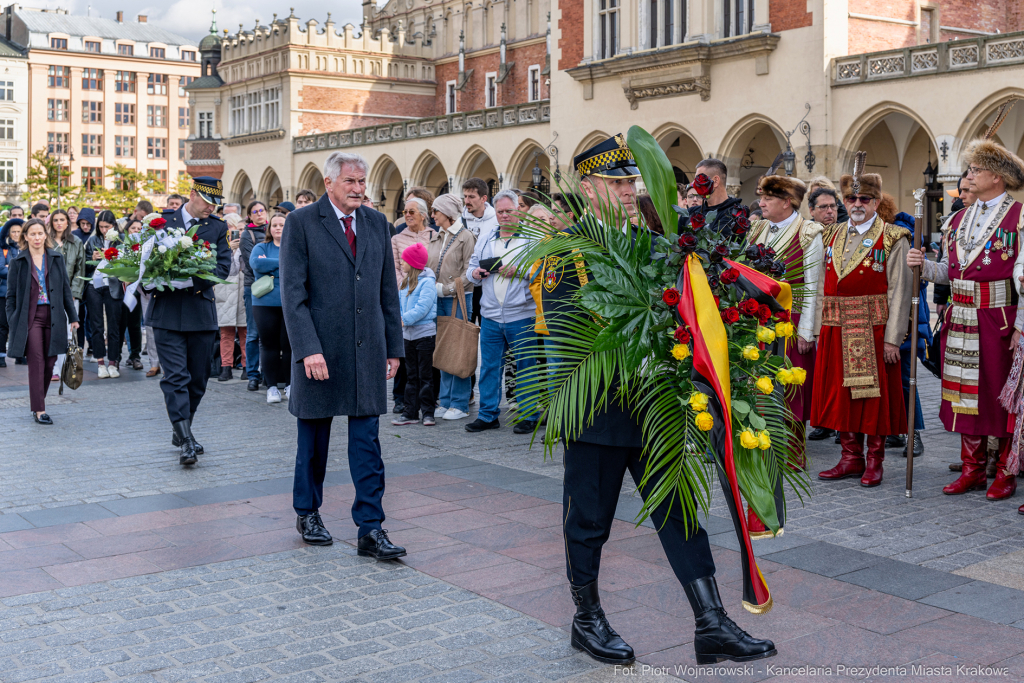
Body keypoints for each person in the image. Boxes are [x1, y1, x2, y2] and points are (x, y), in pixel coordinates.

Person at [542, 135, 775, 666]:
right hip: (598, 408)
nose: (630, 191)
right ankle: (587, 618)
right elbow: (570, 328)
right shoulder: (567, 251)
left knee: (679, 510)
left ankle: (711, 622)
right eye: (617, 182)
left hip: (655, 404)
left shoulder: (653, 241)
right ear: (587, 187)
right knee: (588, 520)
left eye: (631, 181)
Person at [280, 151, 406, 560]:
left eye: (361, 181)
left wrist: (394, 348)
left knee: (367, 443)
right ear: (329, 182)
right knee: (313, 440)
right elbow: (292, 296)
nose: (358, 189)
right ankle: (308, 512)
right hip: (321, 350)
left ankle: (371, 528)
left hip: (367, 348)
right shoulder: (301, 223)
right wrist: (307, 350)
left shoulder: (376, 223)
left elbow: (388, 291)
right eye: (350, 181)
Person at [911, 138, 1024, 500]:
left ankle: (1005, 469)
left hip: (998, 319)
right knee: (962, 394)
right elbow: (950, 271)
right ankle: (973, 468)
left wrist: (1021, 326)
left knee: (998, 394)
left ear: (998, 176)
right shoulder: (957, 219)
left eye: (976, 169)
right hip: (960, 318)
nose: (969, 175)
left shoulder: (1019, 216)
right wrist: (924, 267)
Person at [813, 159, 912, 488]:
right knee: (841, 397)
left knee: (873, 400)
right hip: (836, 328)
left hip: (874, 330)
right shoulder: (830, 235)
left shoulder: (893, 237)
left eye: (865, 199)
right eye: (852, 199)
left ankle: (874, 460)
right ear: (844, 202)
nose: (857, 204)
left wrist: (893, 339)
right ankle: (850, 457)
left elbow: (900, 289)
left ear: (877, 202)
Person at [744, 174, 823, 534]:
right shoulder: (757, 230)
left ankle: (792, 452)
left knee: (791, 390)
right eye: (761, 198)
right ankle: (765, 442)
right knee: (760, 385)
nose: (761, 203)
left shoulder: (809, 234)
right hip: (758, 321)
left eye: (768, 198)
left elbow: (814, 283)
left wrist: (808, 330)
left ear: (787, 202)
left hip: (791, 322)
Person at [148, 177, 231, 466]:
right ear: (193, 194)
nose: (212, 207)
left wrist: (190, 280)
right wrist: (158, 278)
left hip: (200, 311)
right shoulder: (161, 221)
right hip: (167, 312)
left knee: (198, 379)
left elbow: (222, 268)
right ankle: (185, 439)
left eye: (215, 203)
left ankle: (182, 427)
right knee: (176, 378)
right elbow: (143, 262)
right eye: (208, 201)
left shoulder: (218, 227)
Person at [466, 189, 540, 434]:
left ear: (519, 210)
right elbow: (471, 268)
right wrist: (475, 274)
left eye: (510, 211)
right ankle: (488, 415)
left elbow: (541, 273)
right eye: (500, 212)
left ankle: (529, 415)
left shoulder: (532, 239)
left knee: (526, 366)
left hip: (522, 314)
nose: (505, 216)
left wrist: (518, 270)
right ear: (495, 213)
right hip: (490, 316)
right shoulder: (486, 237)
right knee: (488, 367)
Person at [5, 219, 79, 423]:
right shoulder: (18, 262)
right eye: (33, 234)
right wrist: (13, 320)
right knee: (36, 361)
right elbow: (10, 296)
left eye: (40, 233)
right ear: (25, 237)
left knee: (50, 362)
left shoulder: (55, 258)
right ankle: (39, 410)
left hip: (54, 316)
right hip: (31, 317)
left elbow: (65, 290)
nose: (37, 238)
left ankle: (39, 400)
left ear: (45, 235)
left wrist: (73, 317)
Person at [426, 193, 476, 420]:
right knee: (444, 349)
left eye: (435, 211)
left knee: (459, 348)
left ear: (447, 213)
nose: (432, 214)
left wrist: (445, 289)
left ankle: (460, 402)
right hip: (437, 299)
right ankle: (445, 400)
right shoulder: (437, 237)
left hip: (458, 299)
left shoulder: (466, 237)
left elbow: (470, 272)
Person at [392, 242, 437, 426]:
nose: (401, 263)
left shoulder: (427, 283)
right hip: (407, 336)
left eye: (405, 260)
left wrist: (403, 320)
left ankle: (428, 413)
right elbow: (399, 306)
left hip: (424, 335)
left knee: (425, 375)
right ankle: (410, 412)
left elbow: (423, 308)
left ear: (414, 263)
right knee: (410, 375)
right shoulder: (404, 283)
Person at [250, 213, 290, 403]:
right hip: (264, 304)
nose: (277, 228)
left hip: (289, 303)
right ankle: (272, 387)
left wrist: (270, 266)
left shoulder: (294, 247)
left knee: (289, 346)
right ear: (269, 228)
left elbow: (300, 267)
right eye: (274, 225)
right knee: (269, 346)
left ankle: (290, 385)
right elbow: (256, 264)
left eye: (282, 225)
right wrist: (283, 265)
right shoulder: (261, 247)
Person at [83, 212, 123, 379]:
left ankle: (113, 362)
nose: (104, 230)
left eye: (107, 226)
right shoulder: (92, 240)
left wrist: (115, 258)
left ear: (113, 225)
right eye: (101, 227)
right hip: (95, 285)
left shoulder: (121, 240)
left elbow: (130, 263)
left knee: (114, 326)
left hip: (113, 285)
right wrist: (91, 258)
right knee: (97, 325)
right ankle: (100, 362)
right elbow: (84, 263)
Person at [47, 210, 86, 381]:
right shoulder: (46, 241)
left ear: (67, 222)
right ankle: (54, 368)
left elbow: (80, 269)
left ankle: (65, 367)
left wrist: (74, 293)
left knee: (69, 332)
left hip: (70, 294)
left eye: (62, 220)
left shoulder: (76, 242)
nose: (59, 223)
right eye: (55, 220)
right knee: (52, 330)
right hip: (50, 294)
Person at [239, 200, 269, 392]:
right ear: (249, 215)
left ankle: (268, 373)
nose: (260, 214)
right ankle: (252, 374)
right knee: (253, 332)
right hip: (255, 287)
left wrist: (268, 262)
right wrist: (270, 264)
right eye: (255, 211)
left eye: (262, 210)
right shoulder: (246, 235)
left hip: (274, 286)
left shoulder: (272, 231)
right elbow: (253, 264)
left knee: (270, 333)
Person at [215, 213, 247, 381]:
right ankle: (225, 367)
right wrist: (230, 249)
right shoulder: (222, 245)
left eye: (237, 229)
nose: (234, 232)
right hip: (225, 291)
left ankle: (246, 366)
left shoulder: (248, 244)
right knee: (226, 333)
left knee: (245, 332)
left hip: (242, 291)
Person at [679, 159, 744, 233]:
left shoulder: (734, 213)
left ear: (715, 181)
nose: (694, 184)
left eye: (698, 179)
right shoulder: (690, 212)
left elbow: (717, 241)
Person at [117, 219, 144, 371]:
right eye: (133, 228)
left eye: (139, 228)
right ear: (127, 231)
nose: (136, 230)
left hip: (138, 291)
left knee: (134, 325)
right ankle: (117, 357)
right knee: (120, 324)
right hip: (121, 291)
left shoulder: (147, 248)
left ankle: (135, 356)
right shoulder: (121, 246)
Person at [0, 220, 22, 367]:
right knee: (3, 325)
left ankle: (20, 354)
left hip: (22, 292)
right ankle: (1, 355)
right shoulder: (3, 249)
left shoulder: (26, 248)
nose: (16, 234)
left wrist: (11, 267)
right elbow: (1, 269)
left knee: (21, 324)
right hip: (4, 293)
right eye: (13, 231)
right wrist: (18, 271)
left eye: (18, 231)